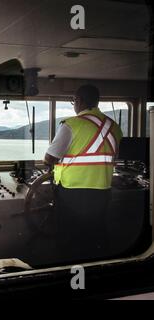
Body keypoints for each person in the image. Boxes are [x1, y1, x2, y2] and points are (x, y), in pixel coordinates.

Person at [44, 84, 123, 263]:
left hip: (73, 192)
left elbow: (49, 158)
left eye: (74, 100)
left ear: (79, 101)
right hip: (102, 191)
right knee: (96, 235)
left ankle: (73, 280)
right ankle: (96, 277)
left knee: (70, 239)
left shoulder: (72, 124)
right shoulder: (114, 127)